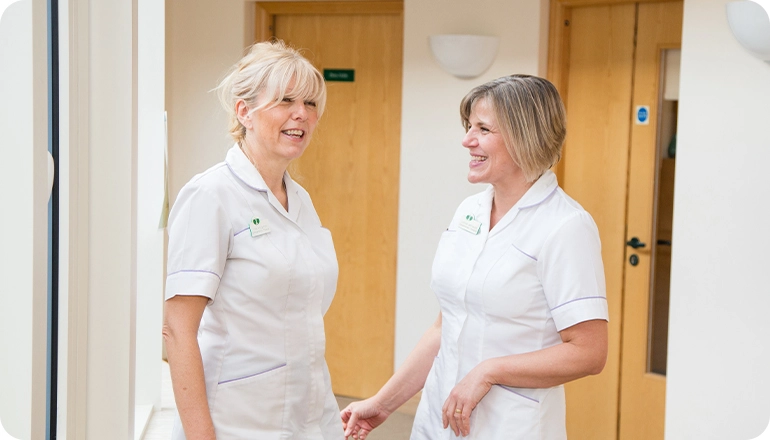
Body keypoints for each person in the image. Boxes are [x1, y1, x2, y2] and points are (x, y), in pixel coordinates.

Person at [340, 74, 609, 440]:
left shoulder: (566, 226)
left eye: (483, 129)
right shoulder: (470, 211)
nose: (467, 140)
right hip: (440, 416)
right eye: (469, 127)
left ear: (524, 135)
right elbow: (446, 326)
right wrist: (383, 403)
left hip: (511, 426)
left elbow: (589, 353)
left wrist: (488, 371)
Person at [163, 40, 343, 439]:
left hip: (311, 413)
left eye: (311, 103)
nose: (302, 114)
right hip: (236, 420)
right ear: (244, 111)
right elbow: (178, 329)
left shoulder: (299, 200)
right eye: (285, 100)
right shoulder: (211, 196)